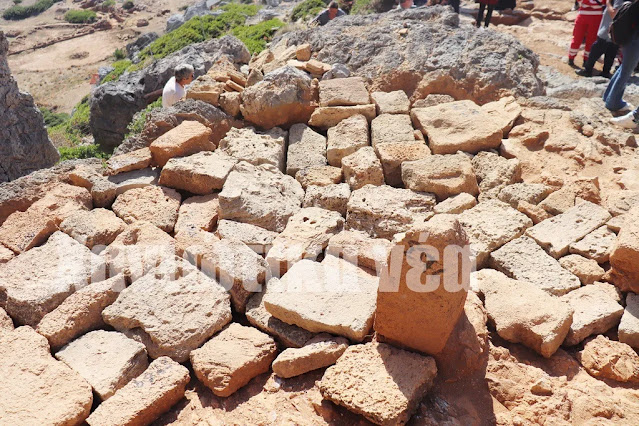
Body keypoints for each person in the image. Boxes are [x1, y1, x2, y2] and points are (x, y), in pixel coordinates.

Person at [576, 0, 622, 77]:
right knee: (611, 51)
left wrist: (608, 3)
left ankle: (588, 70)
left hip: (609, 30)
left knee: (596, 50)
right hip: (616, 31)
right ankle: (605, 72)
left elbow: (614, 13)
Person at [568, 0, 606, 67]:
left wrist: (588, 3)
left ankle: (573, 58)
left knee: (581, 38)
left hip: (585, 16)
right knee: (585, 39)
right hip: (595, 17)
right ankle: (583, 60)